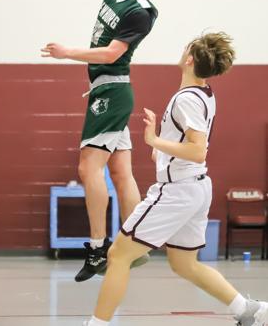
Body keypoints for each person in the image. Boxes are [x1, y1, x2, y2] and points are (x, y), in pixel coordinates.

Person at [83, 32, 268, 326]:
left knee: (118, 255)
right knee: (185, 264)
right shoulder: (204, 92)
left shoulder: (186, 99)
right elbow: (190, 145)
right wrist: (163, 151)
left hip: (177, 191)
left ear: (190, 58)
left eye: (186, 48)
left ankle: (97, 324)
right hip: (194, 187)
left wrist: (154, 140)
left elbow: (197, 150)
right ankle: (249, 311)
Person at [41, 0, 170, 282]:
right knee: (121, 173)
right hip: (108, 90)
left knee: (87, 169)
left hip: (112, 92)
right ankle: (135, 246)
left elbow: (113, 53)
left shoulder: (142, 13)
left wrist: (68, 54)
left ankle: (99, 248)